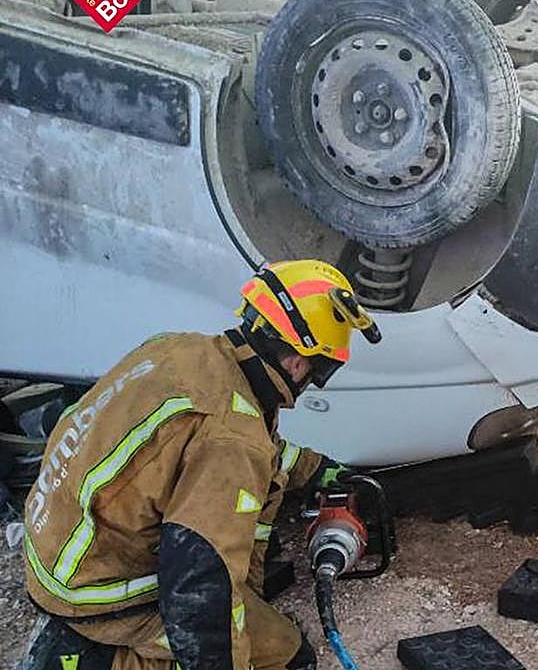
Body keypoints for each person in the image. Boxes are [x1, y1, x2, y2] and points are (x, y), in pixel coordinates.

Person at [19, 260, 381, 670]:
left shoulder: (184, 351)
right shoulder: (232, 439)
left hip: (58, 542)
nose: (311, 379)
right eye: (320, 368)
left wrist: (314, 469)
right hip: (95, 587)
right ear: (298, 360)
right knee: (285, 656)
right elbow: (199, 584)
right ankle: (93, 659)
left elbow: (236, 442)